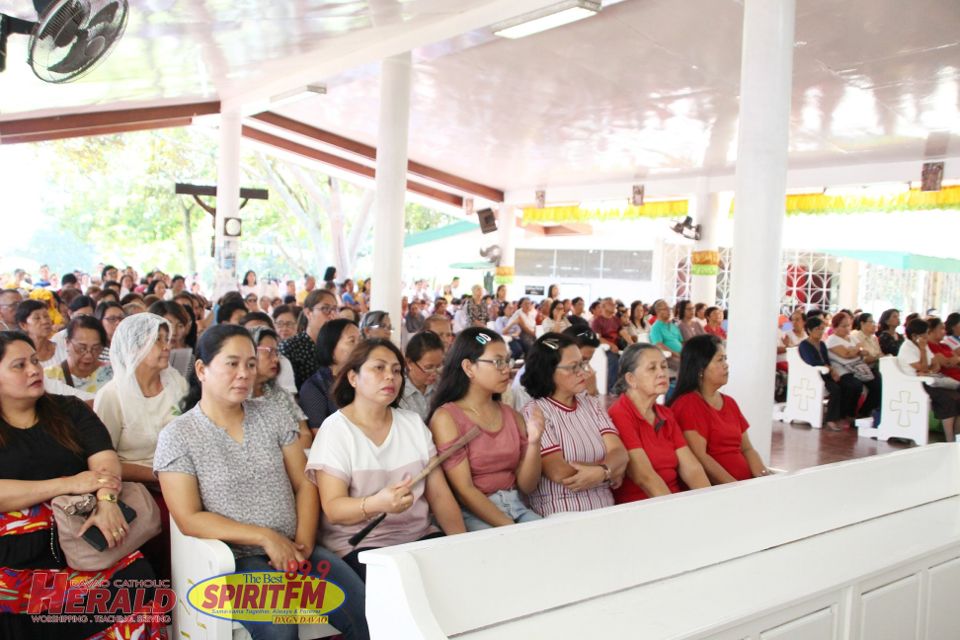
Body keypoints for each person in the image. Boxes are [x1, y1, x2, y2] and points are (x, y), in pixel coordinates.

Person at [155, 325, 369, 639]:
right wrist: (266, 537)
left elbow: (305, 483)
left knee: (365, 610)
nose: (244, 373)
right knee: (278, 625)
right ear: (201, 369)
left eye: (250, 364)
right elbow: (189, 518)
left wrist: (304, 544)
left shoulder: (272, 414)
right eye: (232, 363)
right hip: (234, 559)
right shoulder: (178, 435)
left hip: (295, 547)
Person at [0, 331, 163, 640]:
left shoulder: (69, 410)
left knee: (135, 576)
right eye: (19, 365)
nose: (34, 370)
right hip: (13, 550)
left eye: (35, 360)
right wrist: (67, 484)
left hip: (83, 531)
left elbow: (104, 461)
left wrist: (107, 503)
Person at [308, 339, 465, 581]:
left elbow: (440, 496)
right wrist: (377, 504)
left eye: (396, 370)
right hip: (362, 545)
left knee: (460, 580)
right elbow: (334, 509)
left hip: (418, 537)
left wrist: (462, 544)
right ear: (353, 378)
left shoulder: (412, 423)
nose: (390, 377)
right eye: (378, 368)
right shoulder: (335, 430)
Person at [428, 328, 545, 530]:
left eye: (507, 361)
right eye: (497, 362)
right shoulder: (447, 418)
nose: (506, 369)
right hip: (472, 513)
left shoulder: (511, 415)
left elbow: (527, 485)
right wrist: (509, 526)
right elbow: (464, 489)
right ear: (468, 367)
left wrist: (534, 442)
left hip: (516, 507)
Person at [520, 333, 627, 517]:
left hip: (606, 509)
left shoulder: (590, 404)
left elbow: (620, 453)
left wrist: (602, 472)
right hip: (562, 513)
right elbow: (560, 473)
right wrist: (609, 472)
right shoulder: (536, 412)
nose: (584, 372)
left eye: (583, 364)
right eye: (573, 367)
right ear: (548, 371)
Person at [606, 343, 710, 503]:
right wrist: (674, 511)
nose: (662, 373)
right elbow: (644, 476)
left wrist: (710, 502)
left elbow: (692, 468)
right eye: (652, 368)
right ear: (631, 379)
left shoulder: (665, 414)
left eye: (664, 366)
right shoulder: (620, 414)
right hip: (644, 508)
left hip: (673, 501)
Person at [669, 335, 770, 483]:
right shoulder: (688, 404)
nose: (726, 365)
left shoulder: (729, 402)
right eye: (719, 360)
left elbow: (747, 448)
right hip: (719, 490)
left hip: (745, 485)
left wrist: (763, 478)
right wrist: (735, 487)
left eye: (725, 359)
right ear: (700, 368)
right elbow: (700, 457)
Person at [249, 326, 313, 450]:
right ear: (249, 352)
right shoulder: (237, 399)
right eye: (269, 351)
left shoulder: (281, 394)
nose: (276, 359)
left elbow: (305, 433)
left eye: (276, 352)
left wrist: (292, 459)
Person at [896, 318, 960, 442]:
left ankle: (957, 435)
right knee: (947, 400)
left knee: (958, 396)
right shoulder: (908, 347)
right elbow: (925, 367)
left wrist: (928, 368)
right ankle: (949, 437)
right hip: (916, 384)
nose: (927, 335)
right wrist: (923, 352)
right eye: (924, 333)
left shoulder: (923, 345)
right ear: (915, 335)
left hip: (927, 379)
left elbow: (935, 365)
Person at [299, 319, 360, 433]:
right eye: (352, 341)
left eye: (360, 340)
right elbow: (320, 435)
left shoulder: (364, 379)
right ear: (331, 347)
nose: (360, 346)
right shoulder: (314, 387)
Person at [43, 315, 114, 403]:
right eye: (81, 348)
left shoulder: (114, 373)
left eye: (95, 348)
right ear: (67, 343)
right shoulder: (48, 377)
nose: (89, 355)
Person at [280, 289, 339, 390]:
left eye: (334, 309)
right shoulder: (290, 346)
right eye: (325, 309)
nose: (331, 315)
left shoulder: (337, 345)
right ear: (308, 313)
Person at [400, 331, 444, 422]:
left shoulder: (442, 386)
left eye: (439, 366)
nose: (434, 372)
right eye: (429, 367)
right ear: (409, 363)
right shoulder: (399, 392)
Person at [15, 299, 66, 368]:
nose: (45, 321)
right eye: (37, 318)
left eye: (46, 316)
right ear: (23, 325)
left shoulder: (63, 345)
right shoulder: (21, 358)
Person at [648, 299, 683, 375]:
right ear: (658, 311)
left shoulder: (673, 326)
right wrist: (676, 354)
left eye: (669, 308)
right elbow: (659, 345)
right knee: (684, 366)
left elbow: (681, 342)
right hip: (667, 357)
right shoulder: (656, 327)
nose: (669, 311)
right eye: (665, 309)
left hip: (680, 354)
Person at [928, 317, 960, 382]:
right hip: (949, 380)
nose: (945, 332)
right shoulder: (928, 346)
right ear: (931, 330)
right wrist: (955, 360)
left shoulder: (945, 346)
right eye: (942, 328)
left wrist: (956, 360)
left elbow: (955, 360)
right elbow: (946, 363)